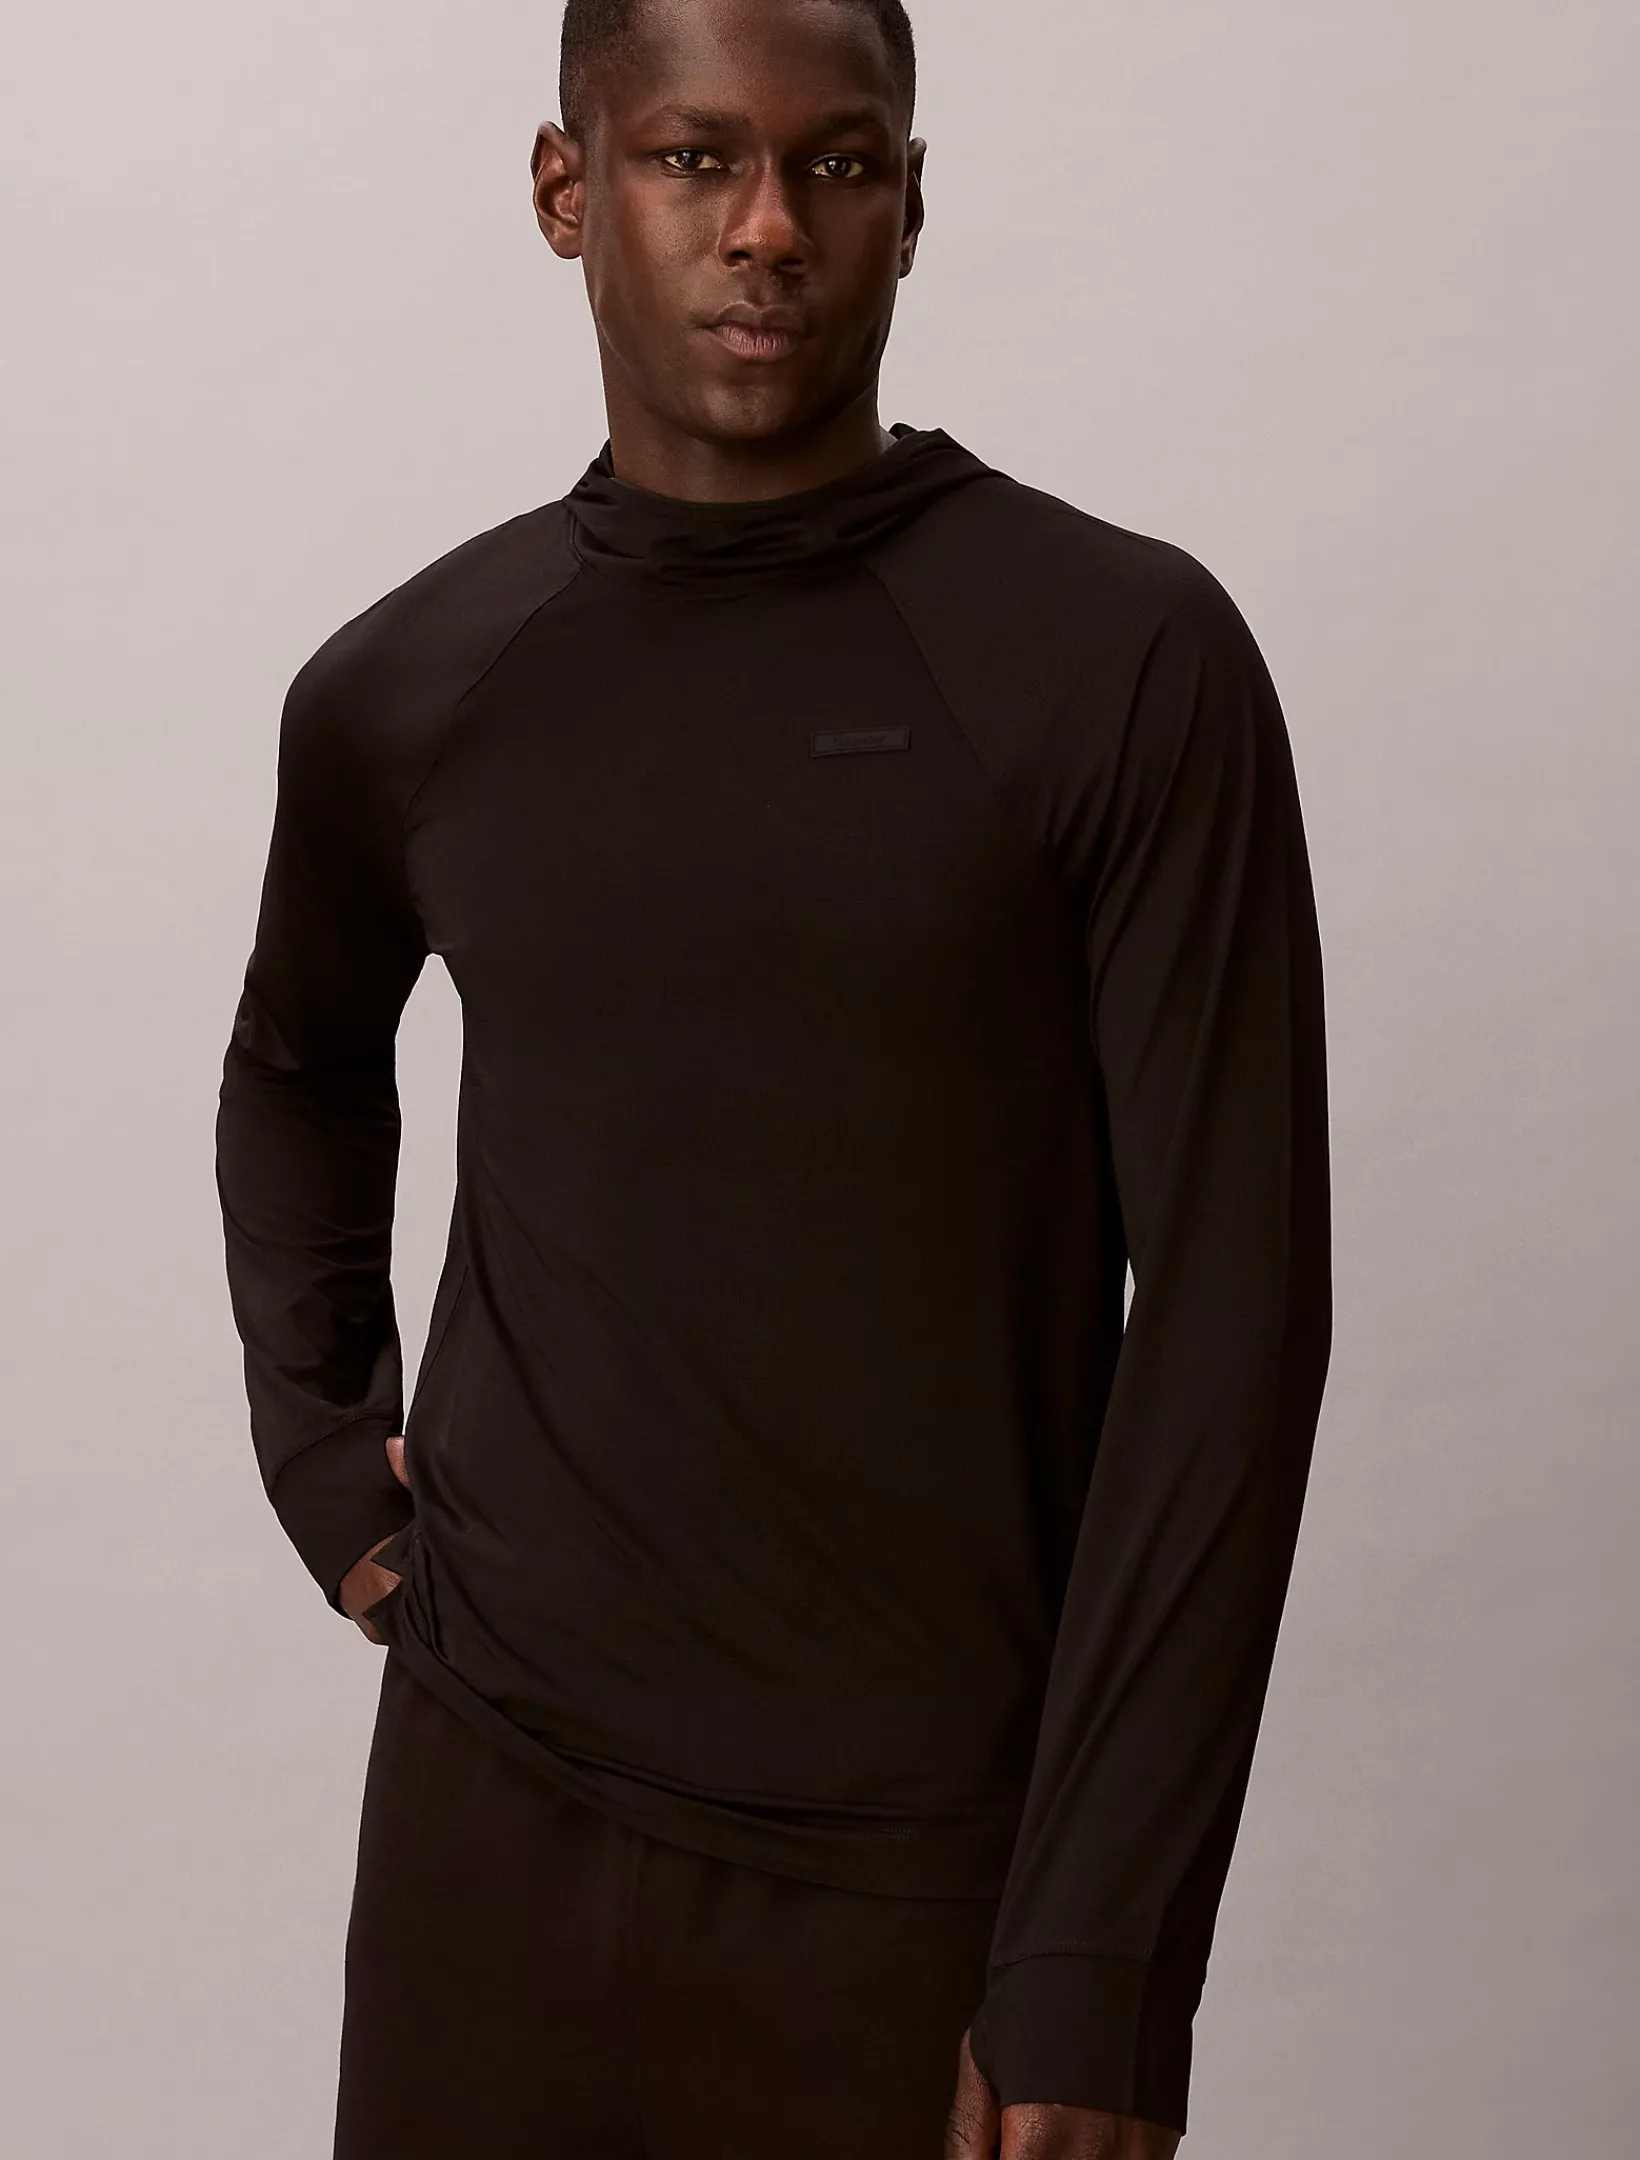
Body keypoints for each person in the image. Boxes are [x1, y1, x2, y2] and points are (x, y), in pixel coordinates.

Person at [213, 0, 1333, 2152]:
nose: (765, 228)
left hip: (929, 1871)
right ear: (568, 192)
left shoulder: (1118, 657)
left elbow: (1232, 1325)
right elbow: (295, 1067)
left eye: (836, 164)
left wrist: (1100, 1957)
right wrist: (323, 1445)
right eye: (690, 159)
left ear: (910, 204)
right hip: (487, 1826)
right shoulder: (411, 687)